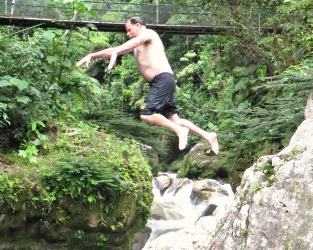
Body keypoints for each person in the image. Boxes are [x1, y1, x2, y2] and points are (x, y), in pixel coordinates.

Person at [75, 16, 219, 155]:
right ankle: (208, 136)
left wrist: (118, 51)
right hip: (162, 81)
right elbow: (115, 50)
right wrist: (92, 55)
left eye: (129, 29)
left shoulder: (149, 34)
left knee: (146, 113)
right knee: (175, 119)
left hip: (162, 79)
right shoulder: (136, 43)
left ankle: (180, 131)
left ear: (138, 25)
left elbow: (124, 47)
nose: (127, 33)